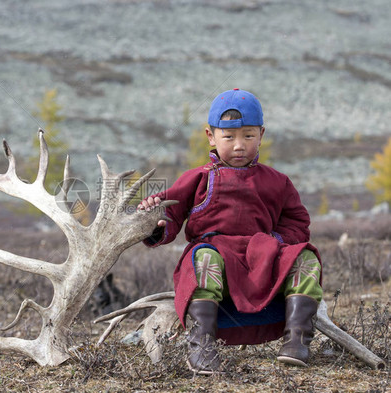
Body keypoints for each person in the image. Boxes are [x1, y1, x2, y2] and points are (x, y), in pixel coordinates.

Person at [138, 88, 323, 374]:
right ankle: (202, 344)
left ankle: (296, 340)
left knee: (306, 257)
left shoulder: (278, 182)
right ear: (211, 137)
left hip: (262, 256)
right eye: (229, 137)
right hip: (216, 255)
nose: (239, 146)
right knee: (203, 259)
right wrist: (154, 222)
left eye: (248, 136)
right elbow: (170, 212)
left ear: (261, 134)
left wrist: (275, 241)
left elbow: (298, 223)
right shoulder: (197, 178)